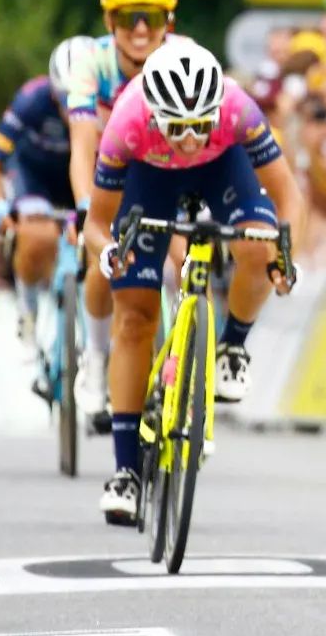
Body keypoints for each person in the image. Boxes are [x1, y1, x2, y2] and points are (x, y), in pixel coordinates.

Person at [83, 41, 305, 524]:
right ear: (153, 114)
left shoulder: (238, 110)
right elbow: (96, 223)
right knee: (135, 320)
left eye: (198, 126)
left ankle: (232, 348)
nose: (187, 140)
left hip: (222, 169)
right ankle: (125, 472)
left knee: (258, 246)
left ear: (216, 112)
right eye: (176, 127)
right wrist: (108, 251)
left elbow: (288, 197)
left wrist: (286, 255)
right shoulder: (126, 123)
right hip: (148, 179)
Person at [66, 0, 177, 420]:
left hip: (164, 170)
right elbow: (81, 146)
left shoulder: (183, 57)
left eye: (151, 17)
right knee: (103, 257)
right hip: (108, 175)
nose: (140, 29)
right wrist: (85, 207)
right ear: (110, 21)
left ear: (168, 22)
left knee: (184, 258)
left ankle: (182, 363)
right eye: (130, 17)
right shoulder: (90, 63)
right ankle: (95, 358)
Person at [0, 36, 96, 353]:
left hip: (82, 179)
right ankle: (27, 308)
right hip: (34, 177)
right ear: (54, 91)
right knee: (38, 236)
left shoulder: (113, 104)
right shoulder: (32, 100)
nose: (74, 108)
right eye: (66, 99)